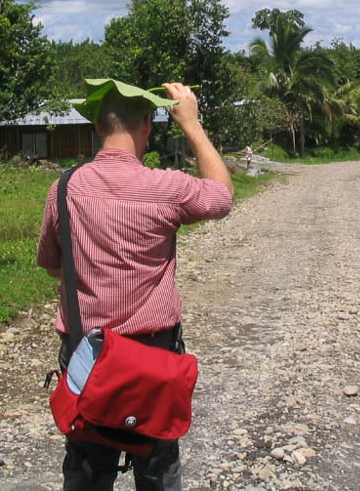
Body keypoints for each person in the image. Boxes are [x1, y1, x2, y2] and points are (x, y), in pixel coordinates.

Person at [36, 80, 233, 491]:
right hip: (153, 356)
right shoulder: (167, 188)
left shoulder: (65, 189)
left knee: (87, 468)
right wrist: (192, 125)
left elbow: (54, 267)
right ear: (147, 125)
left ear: (96, 124)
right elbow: (221, 198)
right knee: (158, 469)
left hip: (85, 355)